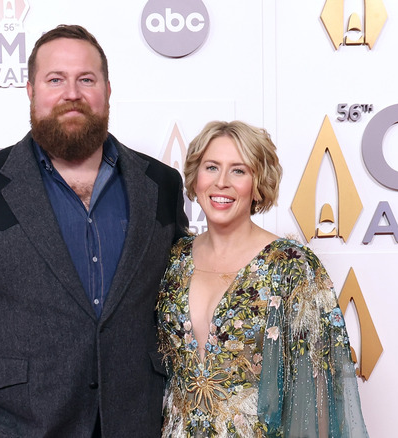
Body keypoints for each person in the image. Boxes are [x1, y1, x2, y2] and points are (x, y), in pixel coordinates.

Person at [0, 24, 188, 438]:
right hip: (20, 425)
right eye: (55, 79)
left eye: (86, 80)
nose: (71, 93)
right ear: (31, 91)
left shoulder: (161, 184)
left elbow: (181, 301)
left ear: (107, 90)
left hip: (138, 421)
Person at [156, 121, 368, 437]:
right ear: (195, 178)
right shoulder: (173, 258)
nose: (221, 182)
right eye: (211, 167)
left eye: (238, 170)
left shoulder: (291, 266)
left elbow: (319, 398)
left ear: (258, 184)